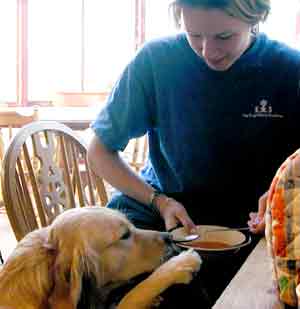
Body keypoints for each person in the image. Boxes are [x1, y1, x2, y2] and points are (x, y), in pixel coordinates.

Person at [88, 0, 300, 307]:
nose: (208, 51)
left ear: (257, 17)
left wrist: (280, 192)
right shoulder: (156, 62)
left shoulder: (289, 70)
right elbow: (99, 151)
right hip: (162, 214)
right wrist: (159, 202)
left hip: (251, 226)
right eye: (194, 34)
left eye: (224, 37)